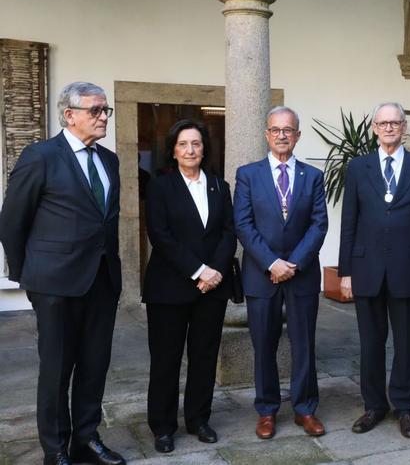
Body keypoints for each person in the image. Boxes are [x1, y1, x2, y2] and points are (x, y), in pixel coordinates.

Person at [0, 82, 125, 465]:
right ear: (69, 115)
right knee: (56, 369)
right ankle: (55, 450)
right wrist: (29, 276)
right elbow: (11, 221)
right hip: (54, 284)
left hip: (101, 281)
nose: (104, 117)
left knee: (94, 365)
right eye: (96, 110)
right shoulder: (41, 156)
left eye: (106, 111)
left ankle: (85, 439)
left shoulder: (109, 160)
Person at [338, 102, 410, 439]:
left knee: (406, 343)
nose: (388, 128)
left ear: (404, 126)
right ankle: (374, 406)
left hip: (408, 270)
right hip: (366, 269)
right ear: (373, 129)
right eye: (382, 123)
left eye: (394, 122)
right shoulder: (358, 167)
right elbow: (348, 222)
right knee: (370, 343)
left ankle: (406, 407)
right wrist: (346, 271)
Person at [234, 106, 329, 439]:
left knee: (304, 343)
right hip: (262, 274)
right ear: (267, 135)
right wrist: (272, 263)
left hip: (301, 274)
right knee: (264, 344)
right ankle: (267, 410)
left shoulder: (313, 176)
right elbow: (243, 224)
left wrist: (294, 263)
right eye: (276, 130)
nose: (282, 135)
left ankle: (305, 409)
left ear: (298, 135)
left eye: (288, 130)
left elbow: (319, 224)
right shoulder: (248, 174)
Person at [141, 119, 236, 453]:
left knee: (204, 355)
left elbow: (228, 232)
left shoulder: (219, 187)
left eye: (196, 144)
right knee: (166, 359)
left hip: (212, 288)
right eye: (183, 144)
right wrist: (199, 271)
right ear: (173, 149)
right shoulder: (159, 186)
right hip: (170, 287)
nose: (190, 150)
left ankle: (198, 418)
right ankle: (163, 426)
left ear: (204, 148)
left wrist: (215, 272)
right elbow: (160, 236)